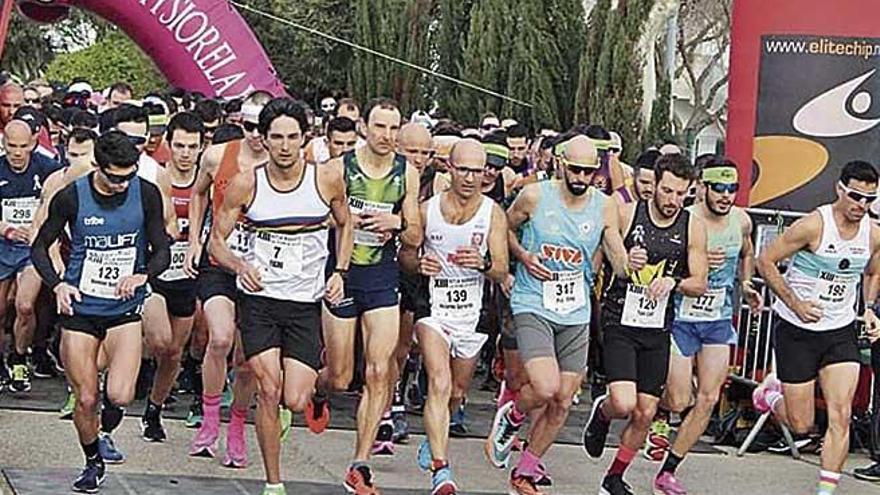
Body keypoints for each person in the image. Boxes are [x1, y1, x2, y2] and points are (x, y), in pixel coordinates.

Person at [209, 97, 352, 495]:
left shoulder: (325, 180)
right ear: (264, 140)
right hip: (259, 301)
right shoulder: (246, 183)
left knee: (294, 397)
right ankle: (274, 484)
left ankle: (315, 394)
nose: (285, 146)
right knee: (268, 388)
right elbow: (215, 244)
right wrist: (240, 267)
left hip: (304, 304)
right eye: (277, 138)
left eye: (293, 137)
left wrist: (340, 271)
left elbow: (346, 224)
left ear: (305, 138)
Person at [485, 136, 633, 495]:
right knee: (546, 387)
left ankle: (526, 470)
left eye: (589, 170)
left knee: (564, 398)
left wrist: (627, 264)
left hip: (575, 308)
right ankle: (514, 414)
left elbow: (612, 242)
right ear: (561, 164)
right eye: (576, 169)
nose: (582, 177)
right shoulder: (536, 196)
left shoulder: (604, 205)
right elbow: (503, 227)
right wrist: (521, 257)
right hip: (533, 300)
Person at [30, 131, 170, 493]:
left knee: (121, 395)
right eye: (116, 176)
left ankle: (106, 427)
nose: (124, 183)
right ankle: (92, 460)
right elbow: (40, 247)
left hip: (124, 308)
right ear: (97, 166)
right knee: (87, 396)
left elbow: (162, 249)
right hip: (81, 308)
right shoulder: (72, 198)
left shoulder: (147, 193)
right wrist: (58, 283)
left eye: (130, 174)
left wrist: (143, 274)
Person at [582, 153, 708, 495]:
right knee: (624, 403)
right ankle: (603, 413)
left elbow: (701, 281)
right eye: (667, 191)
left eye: (681, 194)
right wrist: (624, 256)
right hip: (620, 318)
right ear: (654, 186)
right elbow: (601, 253)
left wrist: (675, 283)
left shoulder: (691, 226)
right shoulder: (627, 213)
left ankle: (613, 478)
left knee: (646, 411)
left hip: (656, 326)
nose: (673, 201)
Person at [313, 97, 421, 493]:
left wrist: (398, 221)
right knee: (341, 377)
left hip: (381, 276)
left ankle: (360, 463)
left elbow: (415, 235)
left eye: (394, 129)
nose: (387, 136)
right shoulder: (338, 169)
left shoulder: (406, 173)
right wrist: (343, 219)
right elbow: (313, 215)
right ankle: (319, 391)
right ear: (365, 128)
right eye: (380, 127)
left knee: (378, 370)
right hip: (342, 275)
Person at [754, 160, 880, 495]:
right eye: (856, 196)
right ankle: (768, 396)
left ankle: (826, 492)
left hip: (839, 331)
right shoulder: (813, 225)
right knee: (802, 424)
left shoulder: (873, 233)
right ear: (840, 188)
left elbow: (872, 272)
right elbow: (765, 261)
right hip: (797, 330)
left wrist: (868, 309)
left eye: (870, 199)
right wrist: (795, 303)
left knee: (841, 415)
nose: (862, 206)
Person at [395, 138, 508, 494]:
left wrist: (483, 263)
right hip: (433, 310)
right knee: (439, 383)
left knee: (458, 392)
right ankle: (442, 471)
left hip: (473, 313)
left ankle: (435, 436)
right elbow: (406, 255)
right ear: (449, 168)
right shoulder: (428, 210)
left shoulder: (493, 213)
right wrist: (419, 264)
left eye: (478, 171)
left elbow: (502, 268)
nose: (471, 178)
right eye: (464, 170)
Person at [649, 157, 762, 494]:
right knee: (681, 397)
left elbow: (746, 251)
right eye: (719, 188)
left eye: (732, 189)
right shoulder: (687, 221)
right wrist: (692, 264)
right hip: (680, 317)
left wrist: (746, 283)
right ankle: (658, 409)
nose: (726, 195)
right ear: (701, 188)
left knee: (710, 397)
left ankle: (668, 470)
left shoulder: (741, 220)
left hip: (717, 318)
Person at [184, 90, 271, 464]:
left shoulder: (285, 162)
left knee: (248, 357)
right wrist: (194, 239)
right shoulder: (218, 155)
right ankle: (209, 421)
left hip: (263, 269)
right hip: (220, 259)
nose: (254, 134)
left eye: (261, 127)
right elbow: (198, 194)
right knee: (218, 338)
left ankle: (237, 425)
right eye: (247, 125)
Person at [140, 112, 205, 442]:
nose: (185, 153)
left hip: (187, 276)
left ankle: (154, 409)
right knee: (161, 340)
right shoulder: (155, 179)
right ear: (168, 144)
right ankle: (132, 368)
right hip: (155, 274)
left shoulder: (205, 182)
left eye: (192, 147)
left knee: (174, 353)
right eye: (179, 145)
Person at [0, 119, 62, 392]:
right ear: (3, 145)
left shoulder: (47, 168)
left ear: (33, 144)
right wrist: (8, 229)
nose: (16, 152)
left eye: (22, 146)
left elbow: (58, 208)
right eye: (11, 146)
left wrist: (41, 232)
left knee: (25, 304)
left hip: (33, 248)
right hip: (3, 244)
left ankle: (19, 357)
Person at [391, 121, 435, 444]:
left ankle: (397, 396)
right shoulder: (387, 176)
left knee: (406, 345)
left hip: (420, 274)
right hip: (385, 267)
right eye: (412, 151)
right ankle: (389, 401)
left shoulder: (438, 184)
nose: (418, 158)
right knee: (385, 345)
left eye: (424, 152)